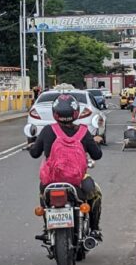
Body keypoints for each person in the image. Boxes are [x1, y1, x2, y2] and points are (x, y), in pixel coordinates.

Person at [27, 93, 104, 241]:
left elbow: (35, 153)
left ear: (55, 113)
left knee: (44, 197)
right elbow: (97, 155)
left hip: (51, 181)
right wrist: (95, 142)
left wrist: (32, 145)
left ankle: (46, 228)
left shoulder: (48, 130)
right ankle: (94, 229)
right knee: (97, 194)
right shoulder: (83, 132)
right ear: (75, 113)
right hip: (77, 181)